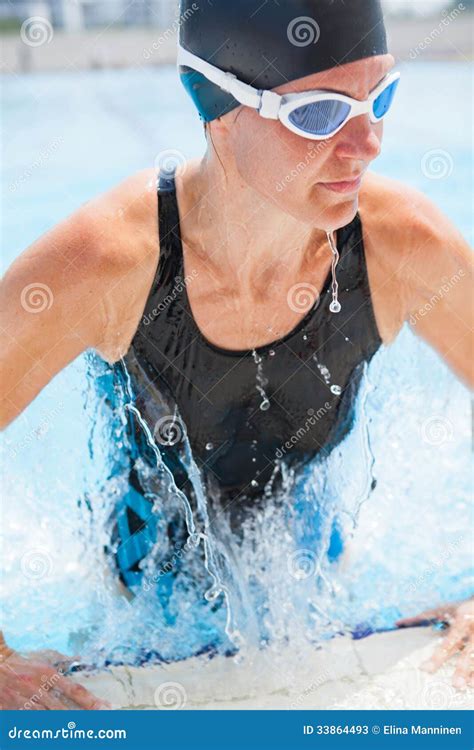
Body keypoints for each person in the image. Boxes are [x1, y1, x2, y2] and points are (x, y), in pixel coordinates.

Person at [1, 0, 472, 709]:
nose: (367, 142)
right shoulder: (109, 262)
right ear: (216, 103)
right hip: (142, 573)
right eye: (319, 114)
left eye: (382, 97)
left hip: (311, 553)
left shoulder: (401, 245)